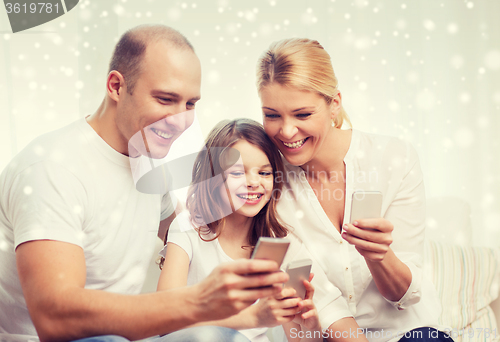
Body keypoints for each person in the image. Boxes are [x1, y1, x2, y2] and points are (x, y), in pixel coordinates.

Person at [0, 25, 289, 342]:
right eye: (166, 99)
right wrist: (201, 302)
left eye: (190, 104)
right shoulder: (51, 169)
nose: (180, 121)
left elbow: (184, 223)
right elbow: (55, 319)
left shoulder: (148, 164)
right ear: (116, 86)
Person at [256, 38, 454, 342]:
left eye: (302, 114)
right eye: (272, 115)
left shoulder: (394, 159)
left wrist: (379, 257)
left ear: (334, 103)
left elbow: (407, 295)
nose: (286, 131)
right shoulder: (268, 184)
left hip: (411, 334)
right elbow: (316, 298)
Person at [157, 119, 323, 342]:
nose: (253, 182)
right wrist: (250, 317)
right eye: (237, 173)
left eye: (264, 173)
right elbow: (165, 321)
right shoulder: (188, 227)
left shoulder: (280, 244)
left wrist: (310, 327)